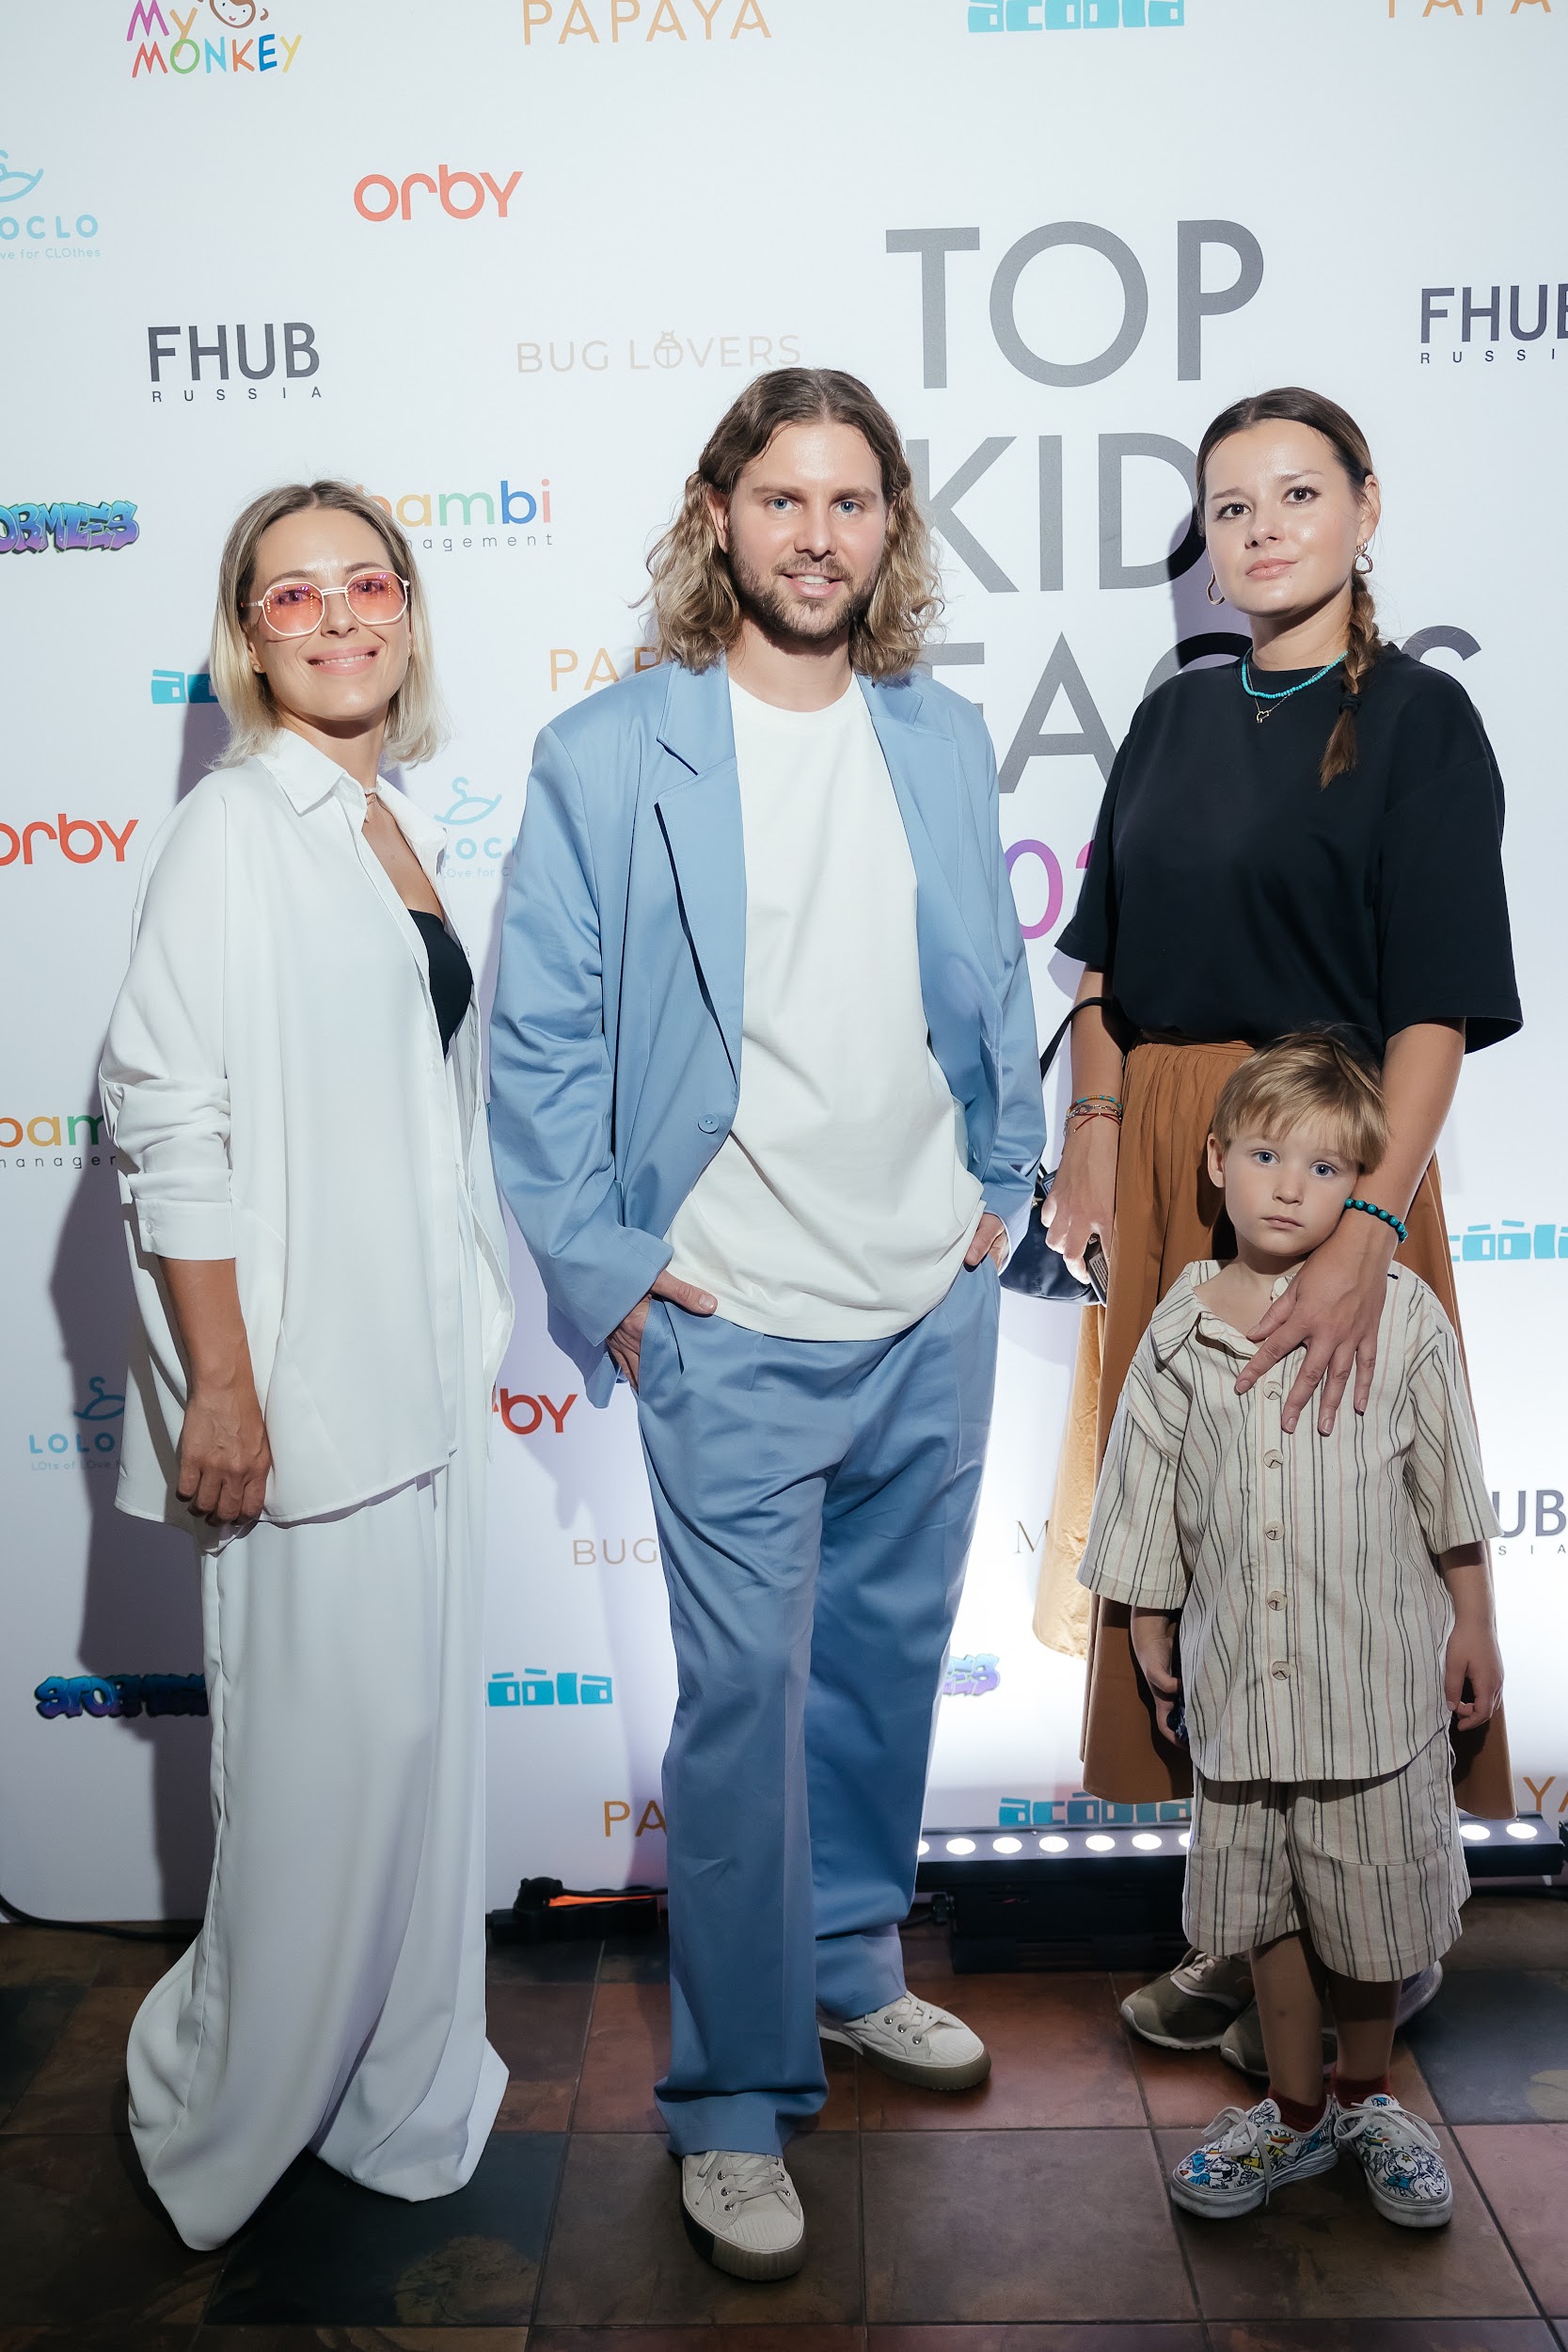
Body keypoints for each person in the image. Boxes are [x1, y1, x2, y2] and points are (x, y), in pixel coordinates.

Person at [489, 368, 1043, 2280]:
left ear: (890, 527)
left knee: (881, 1675)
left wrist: (1003, 1176)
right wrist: (607, 1270)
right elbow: (540, 1044)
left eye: (851, 499)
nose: (817, 534)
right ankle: (730, 2098)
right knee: (737, 1721)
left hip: (926, 1302)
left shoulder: (936, 734)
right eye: (782, 496)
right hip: (728, 1318)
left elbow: (989, 977)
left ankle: (846, 1962)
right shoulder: (608, 751)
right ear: (717, 512)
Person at [1034, 385, 1520, 2054]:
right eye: (1229, 505)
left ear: (1363, 508)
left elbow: (1434, 1007)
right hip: (1173, 1160)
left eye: (1296, 494)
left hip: (1334, 1166)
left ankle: (1377, 1942)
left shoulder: (1421, 719)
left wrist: (1372, 1217)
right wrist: (1093, 1134)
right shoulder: (1171, 716)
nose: (1260, 529)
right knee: (1200, 1542)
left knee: (1346, 1543)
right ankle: (1250, 1934)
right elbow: (1101, 966)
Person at [100, 481, 514, 2251]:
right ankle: (228, 2116)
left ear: (408, 609)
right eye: (293, 596)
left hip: (421, 1385)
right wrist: (224, 1386)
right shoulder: (233, 829)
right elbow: (164, 1118)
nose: (338, 618)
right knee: (313, 1799)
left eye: (366, 584)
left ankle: (386, 2094)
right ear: (247, 636)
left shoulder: (383, 819)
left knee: (411, 1787)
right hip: (298, 1401)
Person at [1078, 1033, 1503, 2227]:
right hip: (1242, 1697)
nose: (1285, 1188)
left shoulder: (1402, 1314)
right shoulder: (1177, 1325)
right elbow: (1143, 1488)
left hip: (1370, 1693)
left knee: (1369, 1919)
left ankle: (1367, 2096)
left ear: (1362, 1184)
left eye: (1323, 1169)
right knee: (1263, 1914)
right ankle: (1294, 2108)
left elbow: (1449, 1484)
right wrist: (1147, 1617)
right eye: (1265, 1156)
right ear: (1215, 1161)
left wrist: (1473, 1619)